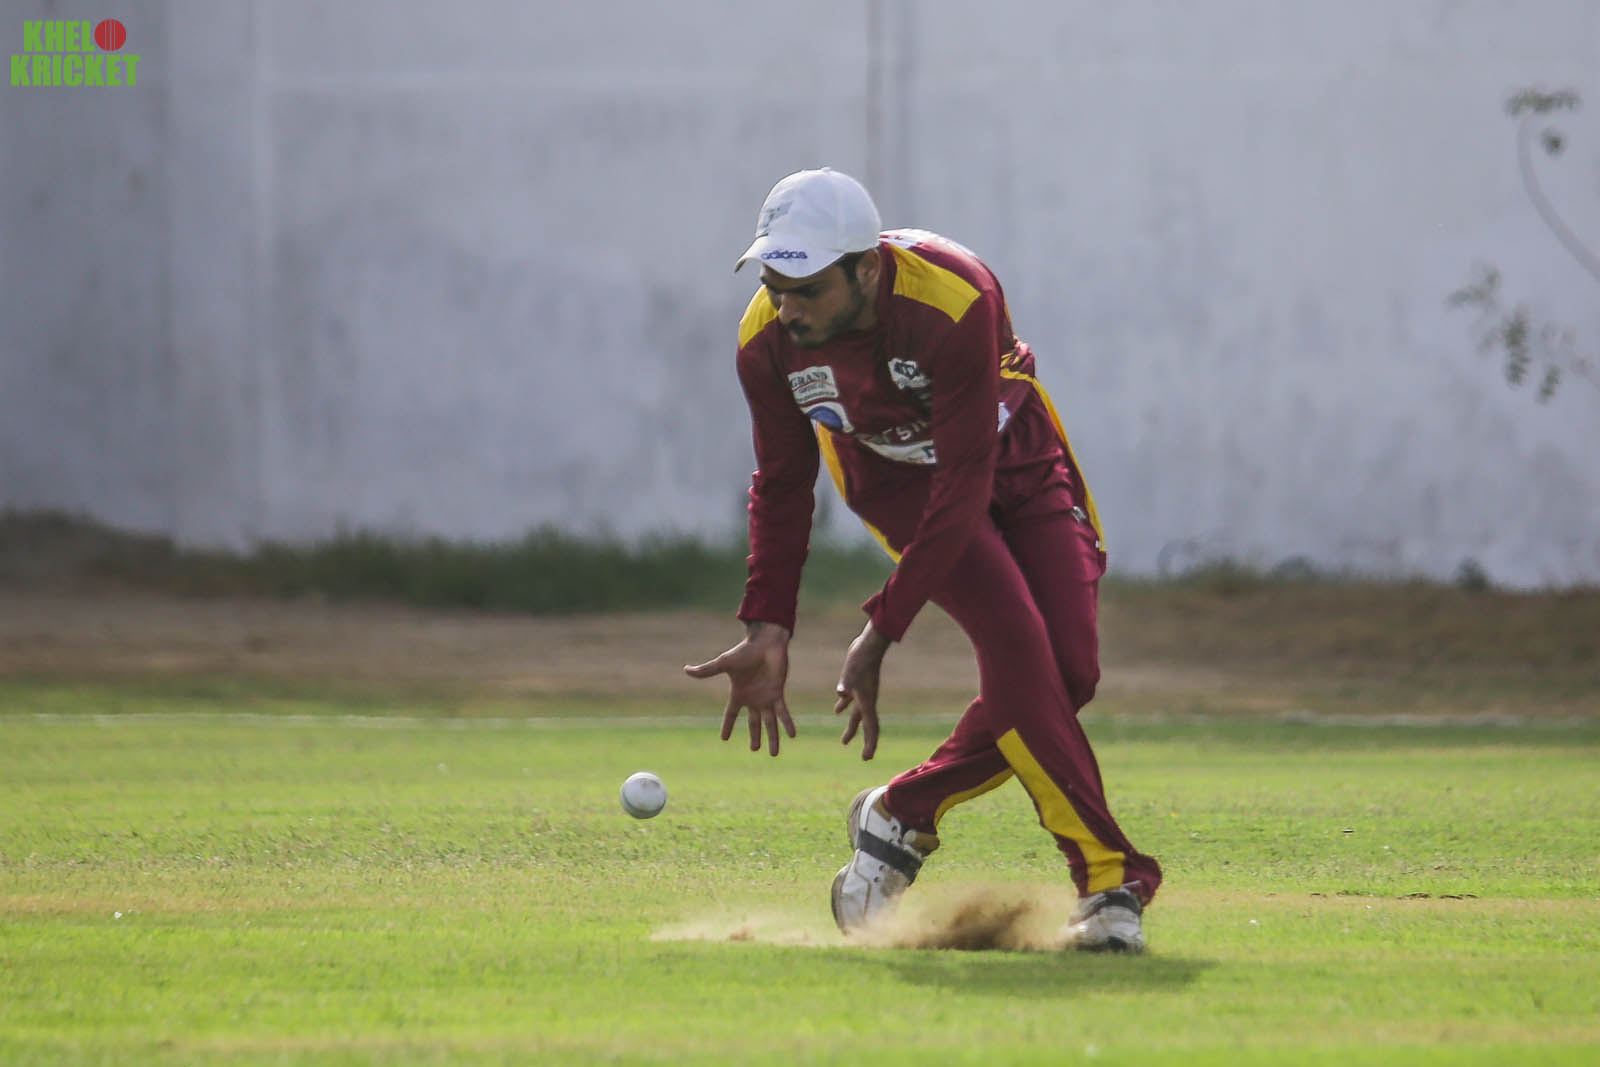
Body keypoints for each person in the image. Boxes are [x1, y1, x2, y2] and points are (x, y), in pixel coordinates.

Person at [683, 167, 1162, 952]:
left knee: (1069, 673)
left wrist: (883, 627)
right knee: (1015, 644)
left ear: (867, 270)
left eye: (807, 287)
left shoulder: (953, 301)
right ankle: (1110, 880)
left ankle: (901, 812)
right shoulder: (765, 340)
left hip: (1011, 463)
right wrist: (767, 623)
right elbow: (783, 482)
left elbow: (965, 482)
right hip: (893, 483)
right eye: (773, 282)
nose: (787, 305)